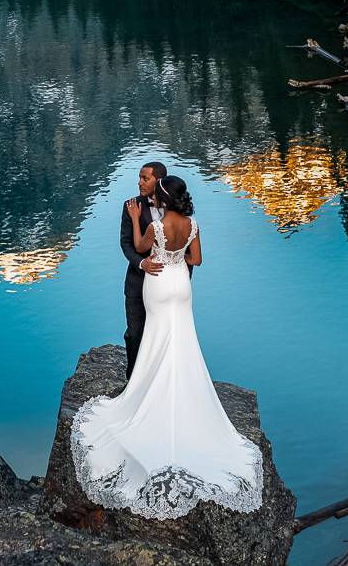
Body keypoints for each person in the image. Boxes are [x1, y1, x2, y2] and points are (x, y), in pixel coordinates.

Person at [73, 176, 263, 520]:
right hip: (180, 285)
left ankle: (149, 394)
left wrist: (135, 220)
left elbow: (141, 248)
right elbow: (198, 260)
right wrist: (178, 260)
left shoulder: (157, 226)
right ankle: (183, 395)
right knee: (181, 340)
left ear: (164, 199)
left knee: (156, 340)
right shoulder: (193, 224)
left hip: (158, 284)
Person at [121, 161, 168, 379]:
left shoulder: (175, 206)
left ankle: (159, 382)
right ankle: (132, 382)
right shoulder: (130, 205)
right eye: (139, 177)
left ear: (158, 180)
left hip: (165, 285)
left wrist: (183, 278)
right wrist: (142, 264)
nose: (139, 182)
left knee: (163, 334)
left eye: (144, 178)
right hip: (137, 282)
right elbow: (127, 245)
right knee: (134, 333)